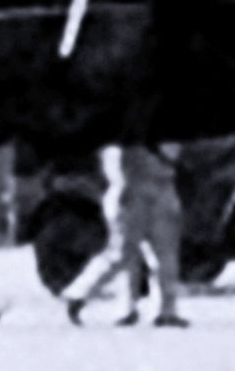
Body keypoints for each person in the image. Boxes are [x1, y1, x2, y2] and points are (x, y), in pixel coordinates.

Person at [64, 134, 190, 329]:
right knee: (121, 254)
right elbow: (117, 164)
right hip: (132, 193)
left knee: (165, 257)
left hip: (162, 187)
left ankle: (164, 311)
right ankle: (79, 294)